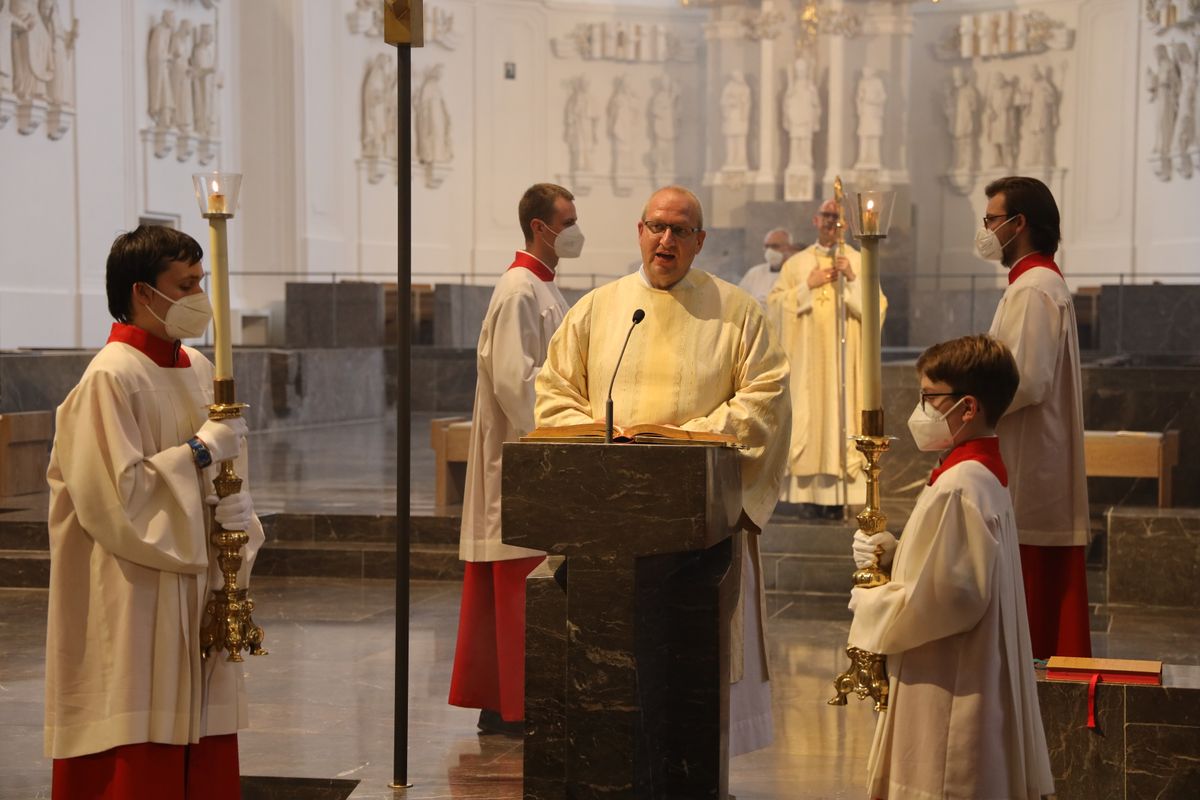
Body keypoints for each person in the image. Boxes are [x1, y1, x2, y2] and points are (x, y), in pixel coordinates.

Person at [535, 185, 790, 757]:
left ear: (700, 241)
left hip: (700, 520)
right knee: (609, 690)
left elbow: (764, 399)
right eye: (656, 227)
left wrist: (685, 441)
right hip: (609, 515)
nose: (666, 240)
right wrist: (607, 438)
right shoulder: (599, 309)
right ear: (639, 231)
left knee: (688, 708)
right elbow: (554, 393)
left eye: (680, 230)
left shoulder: (738, 312)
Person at [45, 225, 263, 799]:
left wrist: (235, 507)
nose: (199, 297)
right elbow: (114, 499)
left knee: (200, 719)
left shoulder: (195, 365)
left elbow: (221, 464)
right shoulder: (109, 377)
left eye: (201, 281)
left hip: (194, 579)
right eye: (186, 284)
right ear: (144, 292)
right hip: (136, 586)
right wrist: (198, 451)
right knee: (143, 727)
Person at [847, 334, 1055, 800]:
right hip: (966, 665)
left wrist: (872, 601)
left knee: (944, 775)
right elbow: (959, 566)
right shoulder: (975, 475)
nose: (920, 410)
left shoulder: (960, 485)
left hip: (949, 677)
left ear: (967, 407)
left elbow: (949, 598)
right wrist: (899, 554)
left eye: (929, 397)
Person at [448, 183, 580, 735]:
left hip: (538, 458)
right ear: (538, 227)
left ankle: (506, 701)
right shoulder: (518, 289)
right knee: (518, 582)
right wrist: (556, 434)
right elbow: (514, 381)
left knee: (526, 582)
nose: (574, 230)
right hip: (523, 461)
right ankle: (513, 704)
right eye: (567, 221)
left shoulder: (545, 289)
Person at [982, 175, 1090, 659]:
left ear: (1018, 223)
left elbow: (1024, 380)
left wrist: (968, 401)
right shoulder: (1037, 282)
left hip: (1028, 464)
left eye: (990, 220)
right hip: (1035, 458)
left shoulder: (1033, 288)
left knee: (1031, 616)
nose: (984, 231)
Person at [768, 199, 886, 516]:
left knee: (841, 417)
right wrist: (807, 286)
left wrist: (853, 281)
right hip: (807, 364)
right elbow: (774, 306)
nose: (831, 223)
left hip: (845, 366)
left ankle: (840, 502)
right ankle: (807, 500)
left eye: (837, 218)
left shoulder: (859, 262)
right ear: (815, 220)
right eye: (826, 217)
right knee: (809, 417)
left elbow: (879, 309)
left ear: (845, 224)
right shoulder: (796, 265)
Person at [738, 227, 798, 311]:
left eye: (775, 246)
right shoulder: (754, 273)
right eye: (767, 246)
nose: (769, 250)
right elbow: (740, 300)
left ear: (788, 247)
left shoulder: (797, 272)